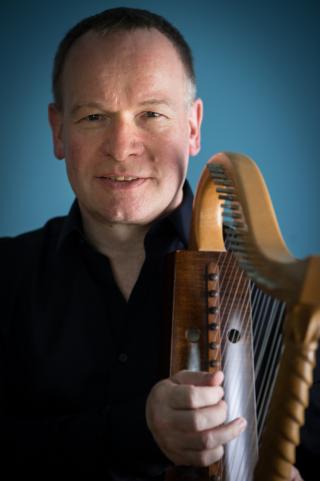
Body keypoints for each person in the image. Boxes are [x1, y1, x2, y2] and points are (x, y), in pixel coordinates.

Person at [0, 6, 311, 480]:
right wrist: (135, 431)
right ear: (58, 130)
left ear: (192, 126)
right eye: (93, 116)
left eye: (151, 113)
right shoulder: (5, 274)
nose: (122, 146)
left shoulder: (281, 296)